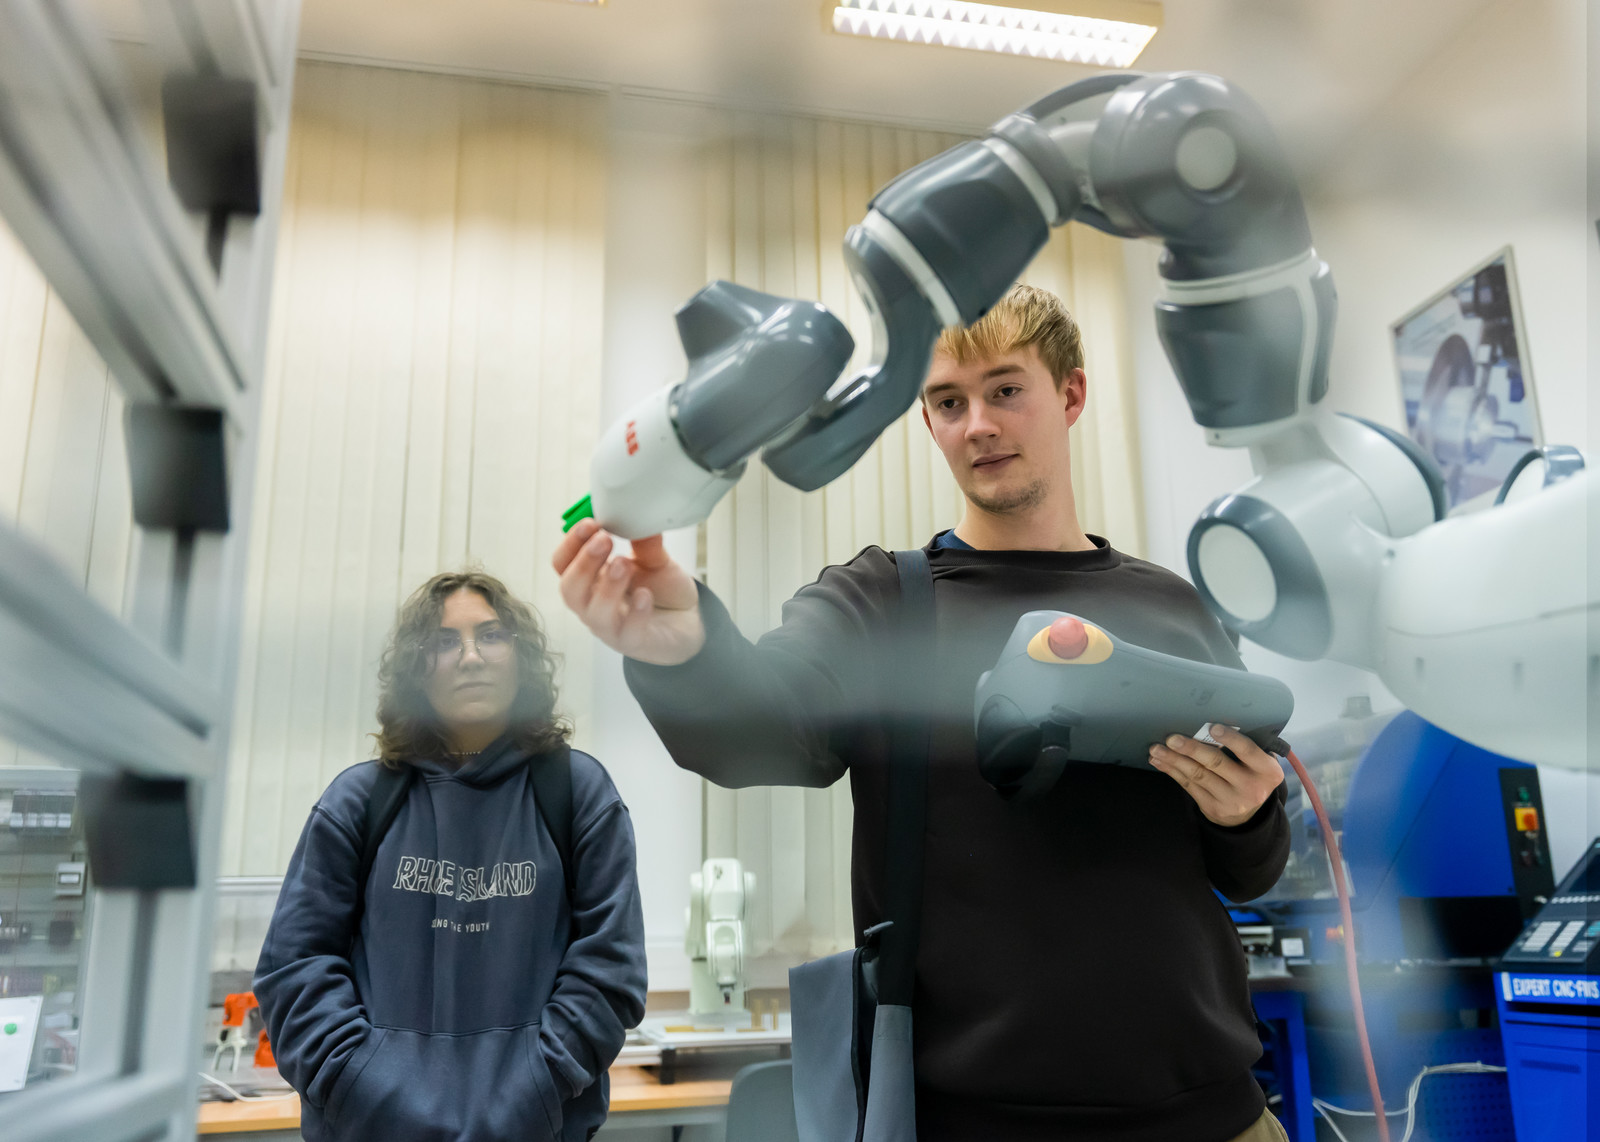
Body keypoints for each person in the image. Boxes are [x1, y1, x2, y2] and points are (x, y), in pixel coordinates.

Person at [554, 283, 1291, 1142]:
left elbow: (1249, 866)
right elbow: (759, 732)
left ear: (1072, 394)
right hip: (972, 1122)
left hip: (1212, 1115)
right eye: (948, 402)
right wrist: (684, 648)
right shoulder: (879, 604)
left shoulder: (1173, 607)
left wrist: (1247, 815)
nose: (977, 424)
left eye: (1006, 389)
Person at [255, 569, 647, 1142]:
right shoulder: (357, 801)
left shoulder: (578, 794)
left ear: (520, 658)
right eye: (444, 642)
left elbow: (610, 973)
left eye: (491, 635)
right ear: (416, 670)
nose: (471, 657)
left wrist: (532, 1090)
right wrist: (363, 1088)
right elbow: (296, 969)